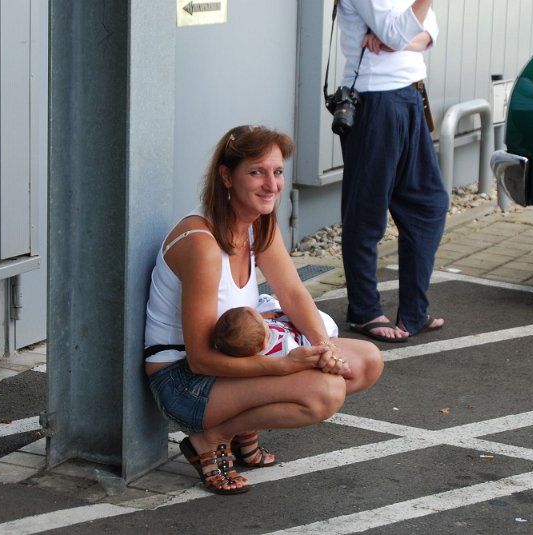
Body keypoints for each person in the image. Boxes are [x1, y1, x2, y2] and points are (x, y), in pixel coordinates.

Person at [144, 125, 384, 495]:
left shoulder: (257, 223)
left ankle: (241, 423)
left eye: (277, 172)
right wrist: (284, 367)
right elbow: (200, 361)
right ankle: (213, 437)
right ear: (226, 176)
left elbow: (292, 293)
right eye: (256, 172)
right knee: (324, 393)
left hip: (237, 357)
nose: (271, 184)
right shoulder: (202, 245)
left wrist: (325, 348)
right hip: (183, 382)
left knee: (366, 361)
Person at [336, 0, 449, 343]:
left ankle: (414, 311)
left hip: (411, 95)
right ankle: (364, 311)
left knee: (428, 205)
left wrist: (403, 39)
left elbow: (430, 31)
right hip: (376, 101)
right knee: (367, 212)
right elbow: (401, 31)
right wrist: (401, 36)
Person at [212, 305, 312, 357]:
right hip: (299, 336)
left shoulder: (253, 339)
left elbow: (253, 326)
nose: (264, 320)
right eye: (263, 322)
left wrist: (262, 317)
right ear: (264, 344)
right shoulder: (286, 348)